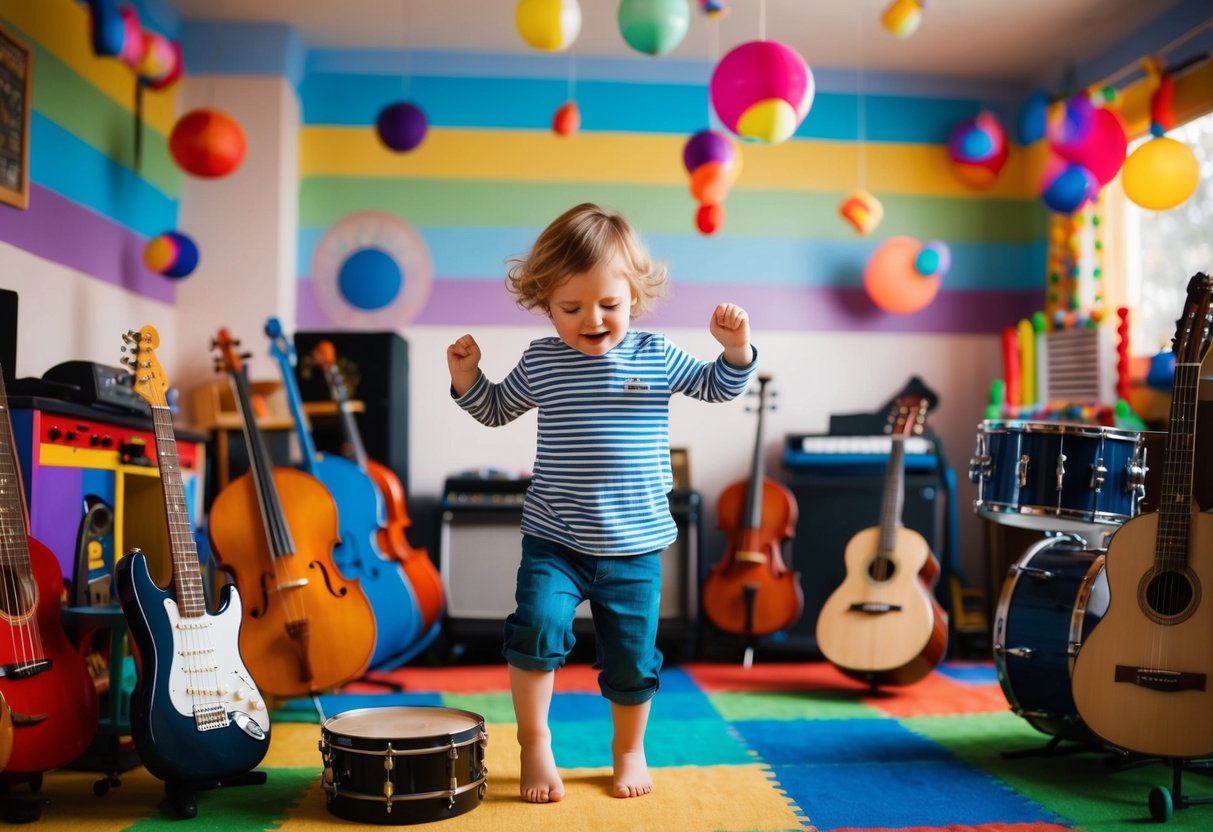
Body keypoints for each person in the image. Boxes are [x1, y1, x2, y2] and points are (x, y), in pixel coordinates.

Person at [446, 202, 757, 803]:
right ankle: (535, 744)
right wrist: (467, 376)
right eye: (572, 307)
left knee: (633, 660)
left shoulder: (656, 354)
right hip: (554, 540)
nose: (592, 318)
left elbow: (718, 387)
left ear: (634, 297)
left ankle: (629, 748)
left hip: (636, 546)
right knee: (536, 629)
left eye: (609, 305)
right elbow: (494, 409)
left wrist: (736, 349)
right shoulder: (543, 361)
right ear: (545, 302)